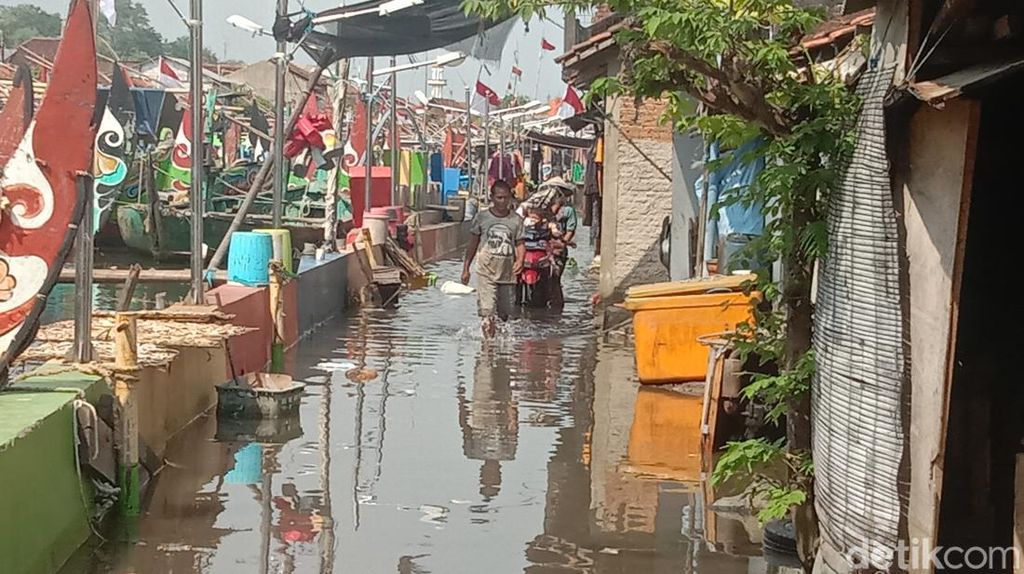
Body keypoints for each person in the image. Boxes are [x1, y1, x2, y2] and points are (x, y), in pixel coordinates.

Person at [462, 180, 526, 336]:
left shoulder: (516, 220)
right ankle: (487, 349)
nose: (502, 202)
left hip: (507, 273)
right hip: (485, 272)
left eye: (505, 198)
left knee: (504, 316)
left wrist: (520, 260)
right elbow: (472, 244)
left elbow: (520, 243)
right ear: (492, 198)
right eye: (499, 198)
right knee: (487, 313)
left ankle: (500, 349)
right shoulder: (482, 218)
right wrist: (466, 269)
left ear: (510, 198)